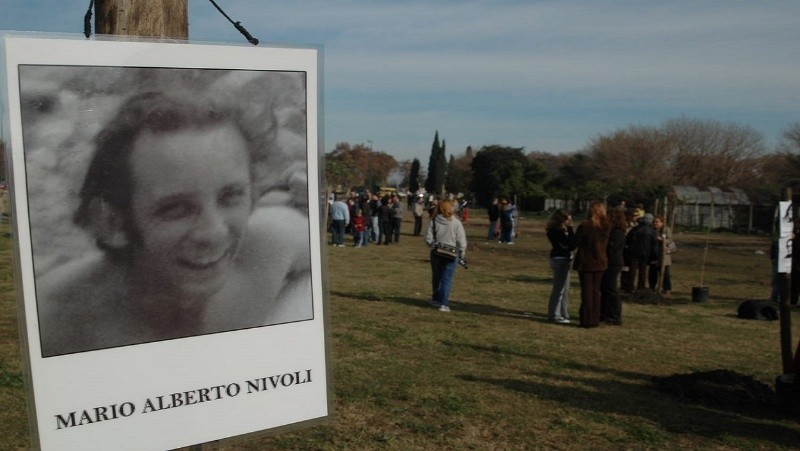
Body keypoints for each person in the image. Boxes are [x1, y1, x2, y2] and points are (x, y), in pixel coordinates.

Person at [36, 91, 313, 357]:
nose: (214, 232)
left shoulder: (270, 244)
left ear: (253, 195)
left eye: (230, 197)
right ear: (113, 223)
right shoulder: (59, 320)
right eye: (176, 209)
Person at [573, 201, 611, 328]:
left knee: (587, 291)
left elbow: (575, 243)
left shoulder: (585, 225)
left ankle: (586, 319)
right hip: (600, 261)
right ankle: (595, 318)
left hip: (586, 261)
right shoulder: (606, 226)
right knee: (596, 291)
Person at [424, 199, 467, 312]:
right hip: (452, 254)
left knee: (436, 277)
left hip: (436, 253)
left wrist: (433, 245)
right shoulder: (456, 223)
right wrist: (462, 253)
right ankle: (444, 303)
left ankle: (436, 298)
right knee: (447, 279)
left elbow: (428, 238)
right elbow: (461, 241)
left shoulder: (434, 221)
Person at [545, 209, 575, 324]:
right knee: (559, 288)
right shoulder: (557, 231)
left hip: (560, 258)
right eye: (568, 219)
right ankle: (554, 314)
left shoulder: (557, 230)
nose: (570, 222)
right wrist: (571, 230)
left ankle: (563, 312)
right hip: (560, 259)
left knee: (565, 288)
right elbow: (570, 244)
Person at [601, 209, 627, 325]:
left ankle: (615, 315)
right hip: (610, 262)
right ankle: (606, 313)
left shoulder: (617, 232)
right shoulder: (613, 231)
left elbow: (612, 249)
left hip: (613, 263)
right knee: (606, 288)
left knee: (611, 288)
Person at [626, 213, 657, 291]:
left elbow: (628, 239)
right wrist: (654, 255)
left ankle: (630, 286)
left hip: (634, 252)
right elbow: (654, 244)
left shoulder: (635, 229)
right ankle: (641, 287)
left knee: (632, 270)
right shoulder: (652, 231)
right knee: (643, 270)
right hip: (646, 252)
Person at [649, 214, 675, 295]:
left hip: (663, 255)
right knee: (652, 272)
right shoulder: (652, 230)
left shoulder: (666, 230)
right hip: (654, 254)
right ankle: (652, 287)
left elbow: (670, 241)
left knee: (665, 273)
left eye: (657, 222)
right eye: (654, 222)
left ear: (662, 223)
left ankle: (667, 288)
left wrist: (662, 239)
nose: (655, 223)